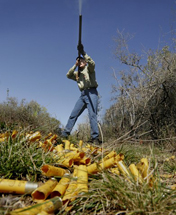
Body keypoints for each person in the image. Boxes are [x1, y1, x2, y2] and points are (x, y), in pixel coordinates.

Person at [61, 44, 101, 145]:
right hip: (83, 95)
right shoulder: (77, 74)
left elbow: (92, 63)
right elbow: (68, 75)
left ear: (85, 62)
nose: (80, 62)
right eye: (79, 61)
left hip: (92, 93)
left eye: (82, 61)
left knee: (92, 115)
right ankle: (65, 134)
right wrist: (75, 65)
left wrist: (83, 52)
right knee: (73, 114)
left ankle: (95, 138)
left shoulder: (89, 69)